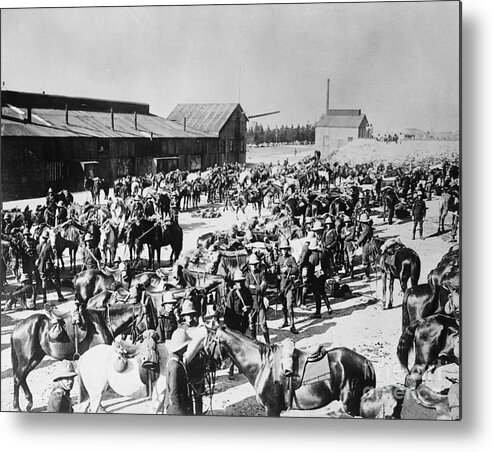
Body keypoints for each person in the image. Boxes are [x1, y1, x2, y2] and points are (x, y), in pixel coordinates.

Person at [165, 329, 193, 415]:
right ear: (180, 347)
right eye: (185, 345)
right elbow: (174, 394)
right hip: (177, 409)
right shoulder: (175, 367)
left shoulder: (175, 358)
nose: (187, 347)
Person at [244, 254, 270, 344]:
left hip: (260, 302)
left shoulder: (261, 273)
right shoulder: (247, 275)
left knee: (263, 324)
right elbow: (247, 289)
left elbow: (264, 287)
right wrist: (259, 287)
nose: (253, 266)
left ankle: (268, 343)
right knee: (252, 324)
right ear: (249, 265)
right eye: (252, 264)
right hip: (252, 304)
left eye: (255, 264)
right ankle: (254, 343)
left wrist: (254, 288)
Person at [304, 239, 332, 318]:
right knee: (323, 291)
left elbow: (310, 269)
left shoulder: (312, 257)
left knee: (317, 294)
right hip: (322, 275)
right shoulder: (322, 254)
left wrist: (308, 279)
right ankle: (329, 307)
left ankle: (318, 312)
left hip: (315, 277)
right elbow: (327, 265)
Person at [36, 229, 65, 304]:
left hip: (41, 267)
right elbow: (52, 257)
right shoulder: (48, 246)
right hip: (48, 266)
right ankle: (60, 296)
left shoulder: (38, 246)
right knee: (55, 280)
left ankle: (44, 298)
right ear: (47, 238)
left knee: (43, 281)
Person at [277, 239, 299, 334]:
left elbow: (296, 269)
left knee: (289, 305)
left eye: (286, 249)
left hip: (289, 285)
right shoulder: (279, 259)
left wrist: (288, 269)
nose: (284, 251)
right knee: (283, 305)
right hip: (281, 285)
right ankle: (285, 321)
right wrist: (277, 274)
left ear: (288, 249)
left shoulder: (291, 258)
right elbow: (277, 271)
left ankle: (292, 325)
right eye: (282, 249)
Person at [224, 270, 254, 337]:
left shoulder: (247, 291)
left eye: (241, 281)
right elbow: (227, 312)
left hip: (244, 322)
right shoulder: (232, 294)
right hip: (235, 324)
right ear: (235, 283)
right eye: (238, 282)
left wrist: (248, 307)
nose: (239, 284)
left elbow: (251, 303)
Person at [357, 213, 374, 281]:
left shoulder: (366, 228)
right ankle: (367, 275)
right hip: (368, 244)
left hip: (367, 245)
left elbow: (362, 237)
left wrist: (357, 242)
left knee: (365, 260)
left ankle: (367, 276)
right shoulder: (368, 227)